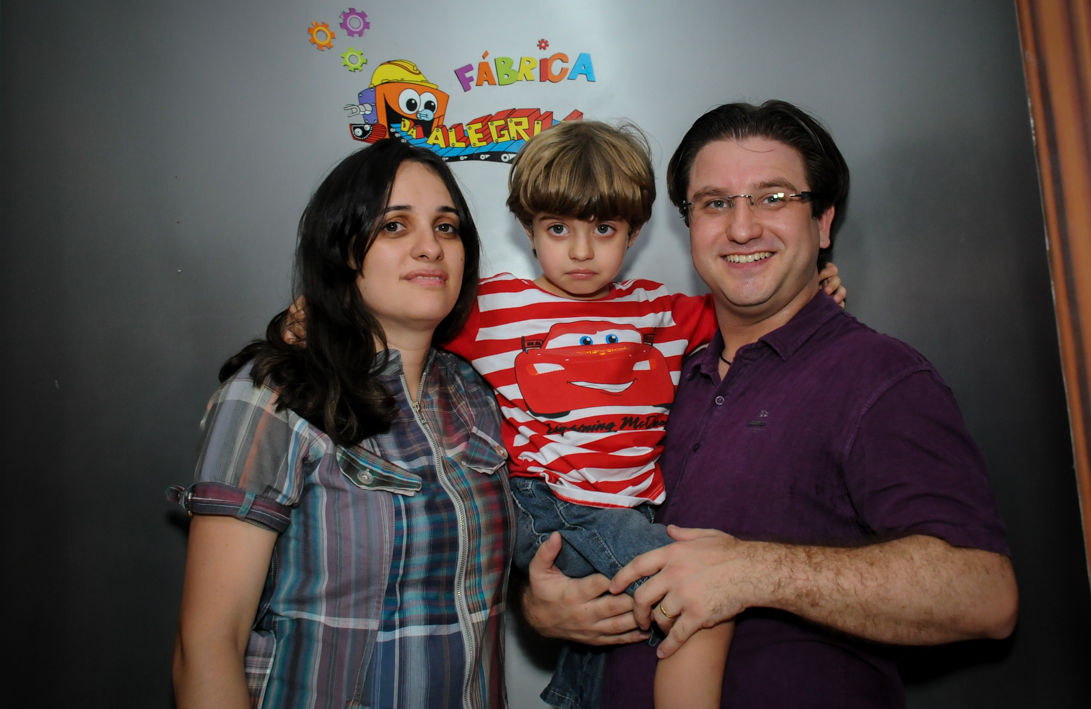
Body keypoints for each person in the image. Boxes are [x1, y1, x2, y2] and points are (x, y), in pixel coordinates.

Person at [521, 101, 1019, 708]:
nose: (741, 228)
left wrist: (753, 573)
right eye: (714, 202)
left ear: (824, 222)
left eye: (774, 197)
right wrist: (548, 608)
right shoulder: (661, 371)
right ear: (689, 226)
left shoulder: (880, 376)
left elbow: (984, 596)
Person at [439, 120, 845, 709]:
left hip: (631, 501)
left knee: (616, 634)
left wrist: (813, 286)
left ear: (631, 232)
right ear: (528, 229)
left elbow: (759, 307)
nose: (581, 251)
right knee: (696, 596)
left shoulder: (661, 310)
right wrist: (315, 318)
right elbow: (404, 312)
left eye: (603, 229)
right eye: (558, 229)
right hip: (554, 500)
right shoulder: (495, 307)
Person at [170, 139, 512, 709]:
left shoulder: (476, 393)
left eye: (446, 227)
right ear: (341, 248)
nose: (430, 248)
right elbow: (207, 646)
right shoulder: (273, 393)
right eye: (394, 227)